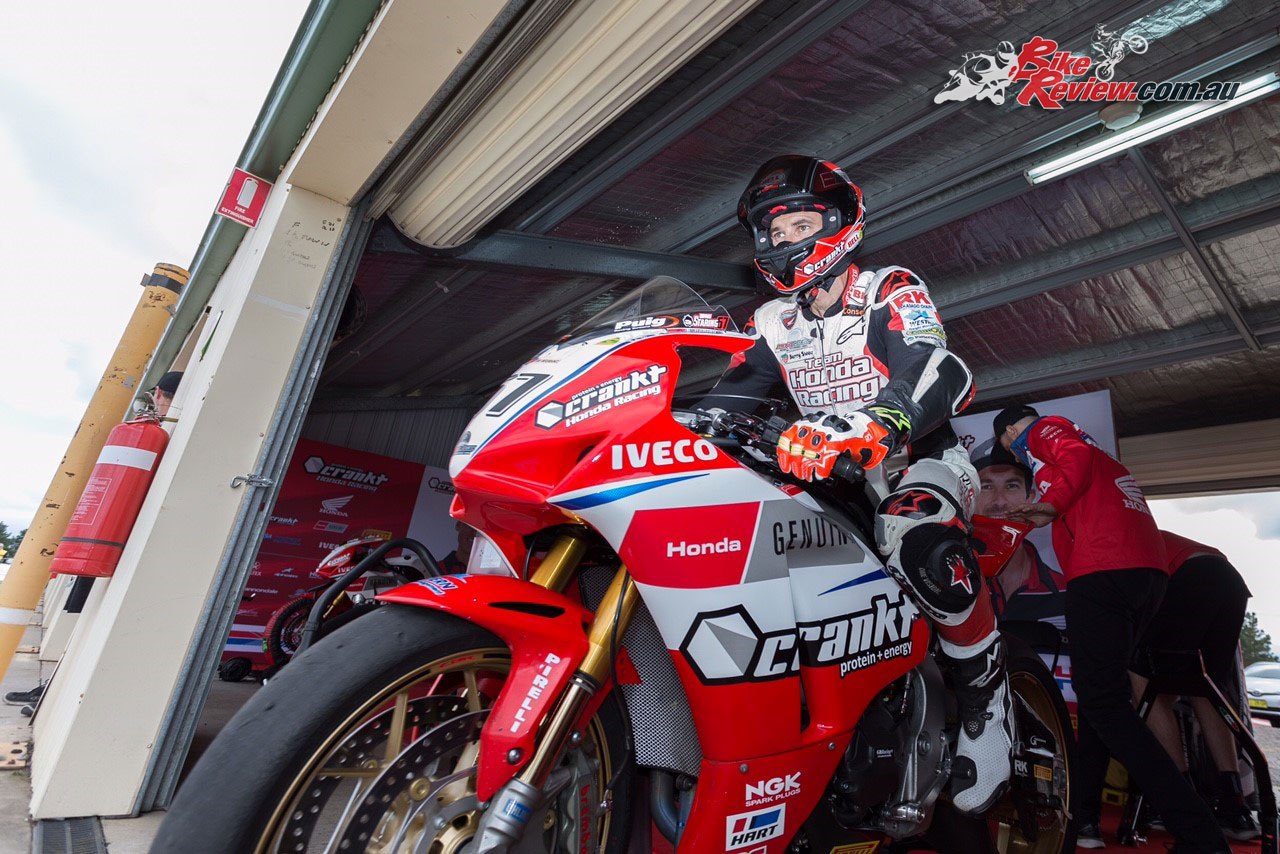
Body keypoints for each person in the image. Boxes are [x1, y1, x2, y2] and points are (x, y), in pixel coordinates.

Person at [704, 154, 1010, 815]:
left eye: (802, 223)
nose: (787, 242)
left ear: (841, 223)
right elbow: (725, 408)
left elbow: (940, 366)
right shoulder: (769, 323)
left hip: (917, 460)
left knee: (912, 530)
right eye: (774, 232)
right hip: (830, 478)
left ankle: (989, 693)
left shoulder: (888, 287)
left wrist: (882, 418)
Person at [996, 404, 1230, 852]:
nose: (1014, 451)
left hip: (1105, 571)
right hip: (1144, 576)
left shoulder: (1048, 433)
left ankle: (1201, 834)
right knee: (1106, 699)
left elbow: (1071, 464)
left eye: (1009, 443)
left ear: (1012, 431)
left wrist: (1049, 505)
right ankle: (1083, 815)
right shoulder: (1080, 459)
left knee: (1104, 703)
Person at [1131, 530, 1259, 841]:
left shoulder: (1087, 535)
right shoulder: (1134, 521)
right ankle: (1234, 806)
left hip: (1186, 575)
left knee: (1139, 675)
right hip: (1228, 578)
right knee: (1205, 686)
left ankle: (1183, 802)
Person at [970, 440, 1065, 631]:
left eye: (1011, 485)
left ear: (1030, 497)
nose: (999, 501)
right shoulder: (952, 584)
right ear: (971, 496)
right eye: (987, 486)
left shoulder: (1066, 589)